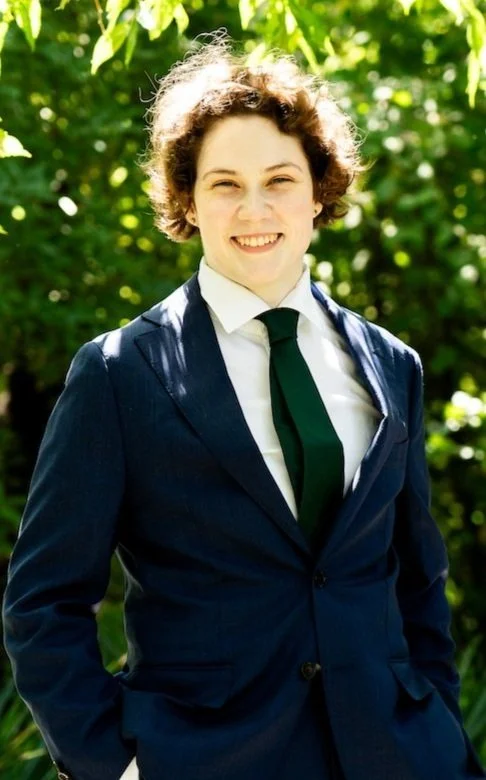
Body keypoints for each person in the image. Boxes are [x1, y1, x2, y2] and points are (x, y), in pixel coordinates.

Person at [3, 31, 484, 780]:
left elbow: (418, 581)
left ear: (319, 190)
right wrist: (112, 765)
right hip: (204, 761)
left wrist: (441, 733)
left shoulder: (392, 366)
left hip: (401, 757)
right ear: (188, 201)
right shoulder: (120, 373)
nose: (254, 208)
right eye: (224, 183)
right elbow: (43, 603)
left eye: (280, 179)